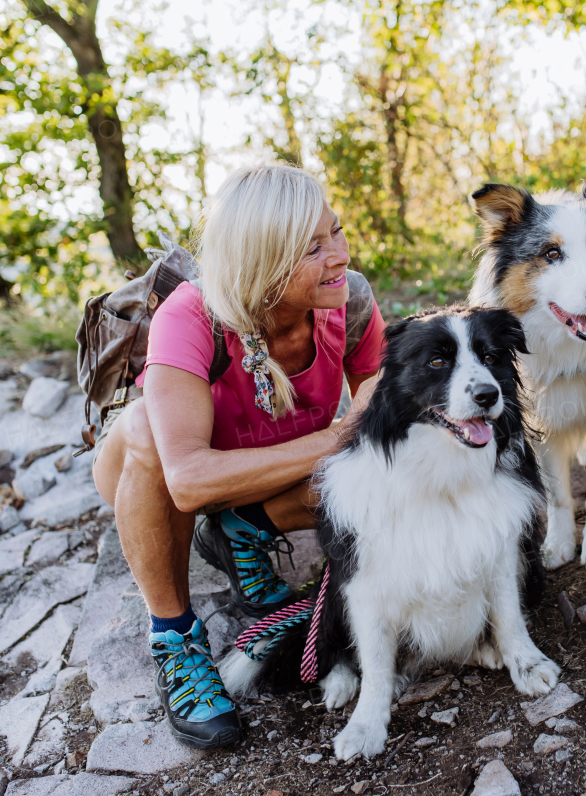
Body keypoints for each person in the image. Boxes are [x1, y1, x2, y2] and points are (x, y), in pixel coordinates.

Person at [92, 164, 386, 749]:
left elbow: (379, 431)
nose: (339, 256)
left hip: (265, 470)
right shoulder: (192, 315)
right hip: (159, 473)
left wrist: (356, 437)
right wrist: (337, 437)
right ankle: (174, 639)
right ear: (264, 262)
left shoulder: (348, 301)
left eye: (337, 232)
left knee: (373, 469)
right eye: (312, 247)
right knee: (146, 425)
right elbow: (189, 481)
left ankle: (241, 530)